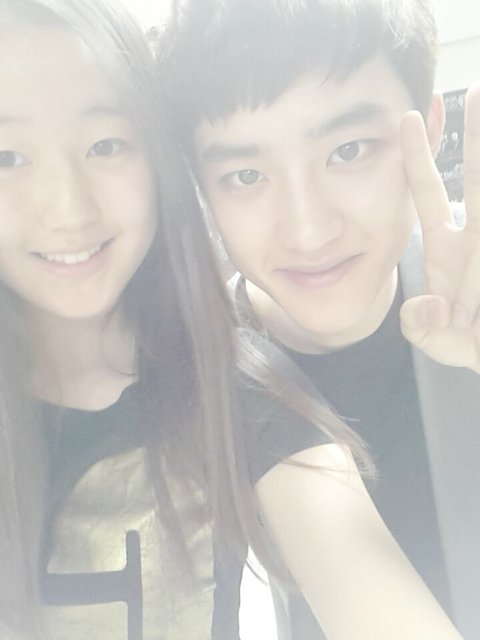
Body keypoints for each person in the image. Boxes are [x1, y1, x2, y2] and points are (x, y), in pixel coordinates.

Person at [161, 0, 480, 638]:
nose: (308, 231)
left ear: (430, 128)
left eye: (348, 150)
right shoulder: (195, 381)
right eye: (245, 175)